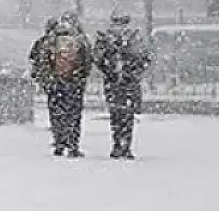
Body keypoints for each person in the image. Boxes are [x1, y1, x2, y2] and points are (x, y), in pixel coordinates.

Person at [29, 11, 93, 157]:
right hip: (74, 83)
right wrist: (80, 77)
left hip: (54, 83)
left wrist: (46, 79)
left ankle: (59, 143)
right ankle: (73, 145)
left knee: (56, 113)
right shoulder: (80, 40)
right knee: (74, 114)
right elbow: (88, 61)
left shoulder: (50, 39)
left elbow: (39, 59)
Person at [95, 11, 152, 159]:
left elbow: (98, 60)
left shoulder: (106, 38)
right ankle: (125, 145)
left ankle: (117, 144)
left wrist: (109, 72)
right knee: (127, 115)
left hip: (113, 82)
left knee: (116, 115)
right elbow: (145, 59)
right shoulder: (135, 38)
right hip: (129, 82)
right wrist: (134, 71)